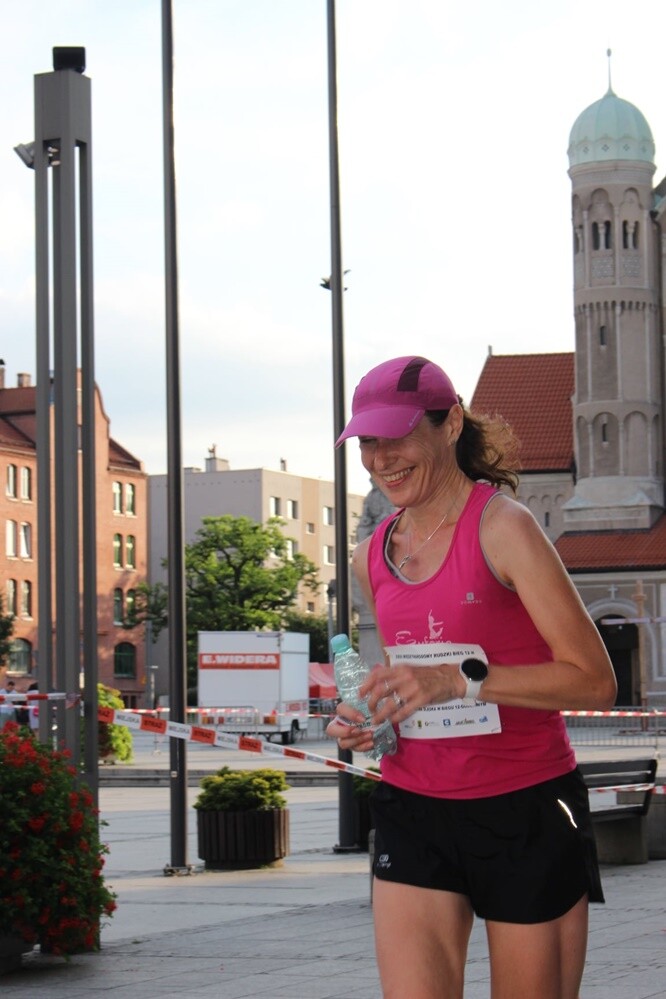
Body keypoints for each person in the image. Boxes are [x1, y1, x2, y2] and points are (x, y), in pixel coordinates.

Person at [327, 355, 617, 999]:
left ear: (451, 423)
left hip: (524, 806)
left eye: (397, 435)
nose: (380, 458)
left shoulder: (504, 527)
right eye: (366, 441)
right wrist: (370, 717)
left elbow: (594, 681)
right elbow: (411, 680)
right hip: (413, 806)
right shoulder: (370, 555)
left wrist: (461, 681)